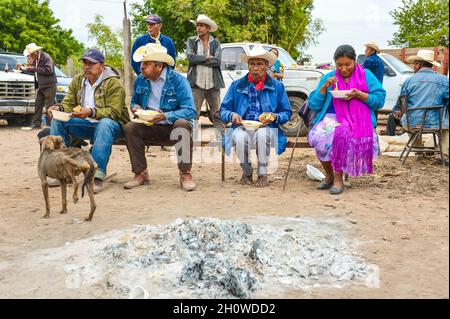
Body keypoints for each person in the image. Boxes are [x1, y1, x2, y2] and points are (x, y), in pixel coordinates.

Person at [47, 49, 130, 193]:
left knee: (105, 123)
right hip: (87, 124)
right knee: (57, 121)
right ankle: (63, 171)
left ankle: (95, 175)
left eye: (91, 63)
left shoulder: (113, 83)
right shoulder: (79, 80)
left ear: (102, 66)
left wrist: (91, 112)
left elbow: (114, 112)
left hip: (113, 126)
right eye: (85, 62)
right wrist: (59, 107)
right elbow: (69, 103)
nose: (87, 66)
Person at [307, 45, 386, 195]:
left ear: (355, 62)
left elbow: (379, 100)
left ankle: (338, 178)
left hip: (359, 120)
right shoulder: (329, 77)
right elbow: (314, 104)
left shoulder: (366, 75)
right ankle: (329, 175)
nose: (343, 69)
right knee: (318, 137)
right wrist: (324, 87)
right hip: (330, 117)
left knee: (340, 134)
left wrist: (360, 95)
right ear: (335, 64)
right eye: (339, 65)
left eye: (348, 64)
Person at [123, 43, 197, 191]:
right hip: (150, 125)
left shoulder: (178, 81)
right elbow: (135, 101)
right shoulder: (140, 80)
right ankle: (141, 173)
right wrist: (136, 108)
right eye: (142, 63)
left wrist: (166, 115)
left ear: (159, 66)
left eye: (146, 63)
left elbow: (190, 111)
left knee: (182, 124)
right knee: (130, 127)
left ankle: (185, 174)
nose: (141, 67)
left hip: (173, 126)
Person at [220, 44, 292, 187]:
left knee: (262, 134)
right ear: (248, 66)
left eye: (259, 64)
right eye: (252, 64)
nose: (255, 68)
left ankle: (262, 174)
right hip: (241, 127)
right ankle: (246, 173)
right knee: (240, 137)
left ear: (266, 66)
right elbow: (223, 110)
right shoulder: (237, 85)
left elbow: (287, 112)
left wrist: (275, 117)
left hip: (268, 128)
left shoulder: (277, 86)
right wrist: (232, 115)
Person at [395, 49, 449, 156]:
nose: (413, 66)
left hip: (412, 123)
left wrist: (399, 112)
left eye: (415, 63)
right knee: (446, 122)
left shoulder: (408, 81)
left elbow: (402, 103)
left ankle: (418, 148)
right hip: (435, 124)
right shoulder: (443, 80)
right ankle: (443, 153)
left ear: (419, 64)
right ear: (431, 65)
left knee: (410, 119)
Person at [186, 14, 226, 140]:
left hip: (213, 84)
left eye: (202, 26)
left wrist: (198, 59)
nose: (199, 28)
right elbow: (190, 58)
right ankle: (193, 142)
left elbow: (217, 61)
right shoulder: (191, 41)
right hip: (196, 84)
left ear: (208, 28)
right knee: (194, 114)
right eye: (197, 25)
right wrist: (206, 57)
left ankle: (222, 141)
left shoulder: (216, 43)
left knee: (216, 114)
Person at [21, 43, 57, 129]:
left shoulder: (46, 57)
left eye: (31, 54)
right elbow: (35, 70)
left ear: (36, 52)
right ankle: (36, 123)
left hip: (49, 85)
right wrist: (24, 68)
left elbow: (49, 70)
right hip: (41, 85)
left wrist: (33, 68)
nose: (30, 56)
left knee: (49, 106)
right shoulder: (36, 59)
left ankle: (50, 125)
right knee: (38, 104)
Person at [363, 42, 384, 127]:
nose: (365, 51)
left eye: (367, 49)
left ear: (372, 50)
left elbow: (363, 74)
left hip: (368, 88)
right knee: (375, 108)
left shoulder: (369, 60)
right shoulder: (380, 60)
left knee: (369, 110)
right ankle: (374, 127)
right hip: (377, 88)